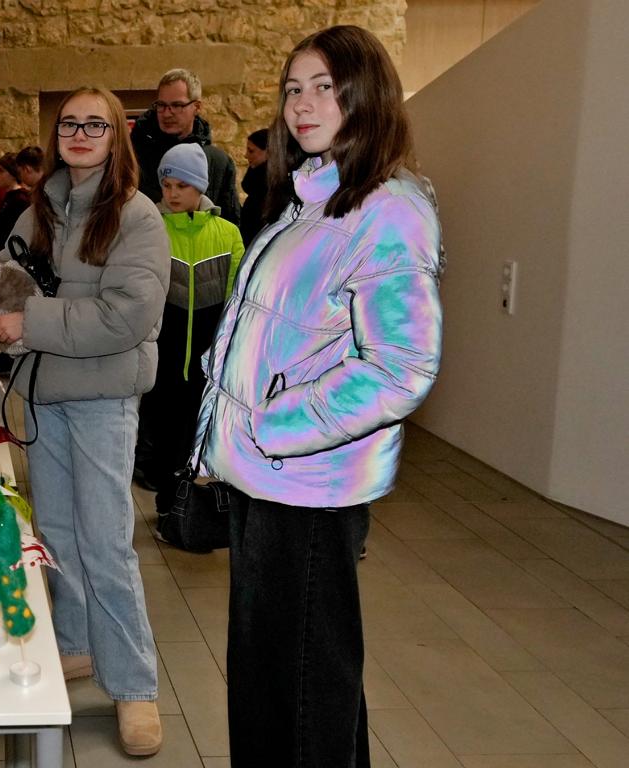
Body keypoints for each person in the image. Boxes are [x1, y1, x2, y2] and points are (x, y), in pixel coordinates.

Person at [193, 25, 443, 767]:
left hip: (306, 479)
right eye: (293, 89)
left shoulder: (387, 210)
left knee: (298, 688)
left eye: (324, 88)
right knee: (282, 679)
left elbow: (401, 366)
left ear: (365, 95)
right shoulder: (311, 198)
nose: (301, 105)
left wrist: (274, 426)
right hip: (264, 474)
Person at [0, 86, 169, 757]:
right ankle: (75, 644)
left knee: (105, 542)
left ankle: (133, 685)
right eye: (69, 123)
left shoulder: (136, 217)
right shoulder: (38, 210)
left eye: (94, 124)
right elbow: (1, 280)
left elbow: (125, 317)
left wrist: (26, 322)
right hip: (42, 395)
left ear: (116, 136)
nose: (79, 133)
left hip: (103, 396)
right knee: (57, 532)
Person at [134, 144, 243, 488]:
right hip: (161, 347)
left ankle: (183, 498)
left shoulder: (227, 233)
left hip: (206, 351)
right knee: (159, 421)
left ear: (200, 186)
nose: (173, 193)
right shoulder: (149, 230)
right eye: (167, 185)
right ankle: (161, 488)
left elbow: (236, 296)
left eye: (182, 185)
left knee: (194, 429)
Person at [131, 68, 241, 224]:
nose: (167, 113)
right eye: (161, 105)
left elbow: (230, 222)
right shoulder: (132, 156)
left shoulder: (219, 162)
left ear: (197, 107)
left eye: (177, 105)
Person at [0, 152, 31, 269]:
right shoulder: (10, 197)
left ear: (13, 173)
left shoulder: (20, 199)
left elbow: (13, 234)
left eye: (1, 171)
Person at [239, 128, 270, 245]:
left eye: (251, 151)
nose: (246, 155)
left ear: (268, 152)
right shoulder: (256, 181)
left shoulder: (271, 187)